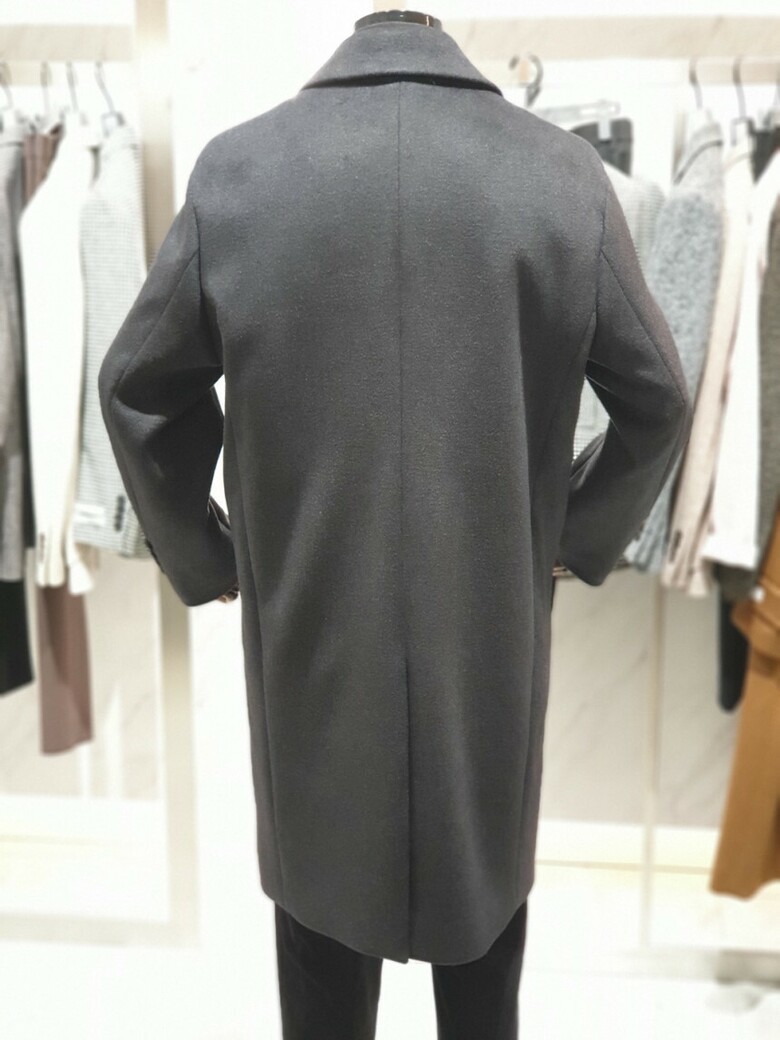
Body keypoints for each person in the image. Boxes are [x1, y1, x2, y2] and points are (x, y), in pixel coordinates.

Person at [97, 10, 693, 1038]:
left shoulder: (239, 173)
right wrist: (568, 535)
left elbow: (135, 387)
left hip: (312, 652)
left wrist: (209, 552)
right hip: (488, 660)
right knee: (484, 953)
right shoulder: (562, 177)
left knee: (319, 949)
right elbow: (660, 401)